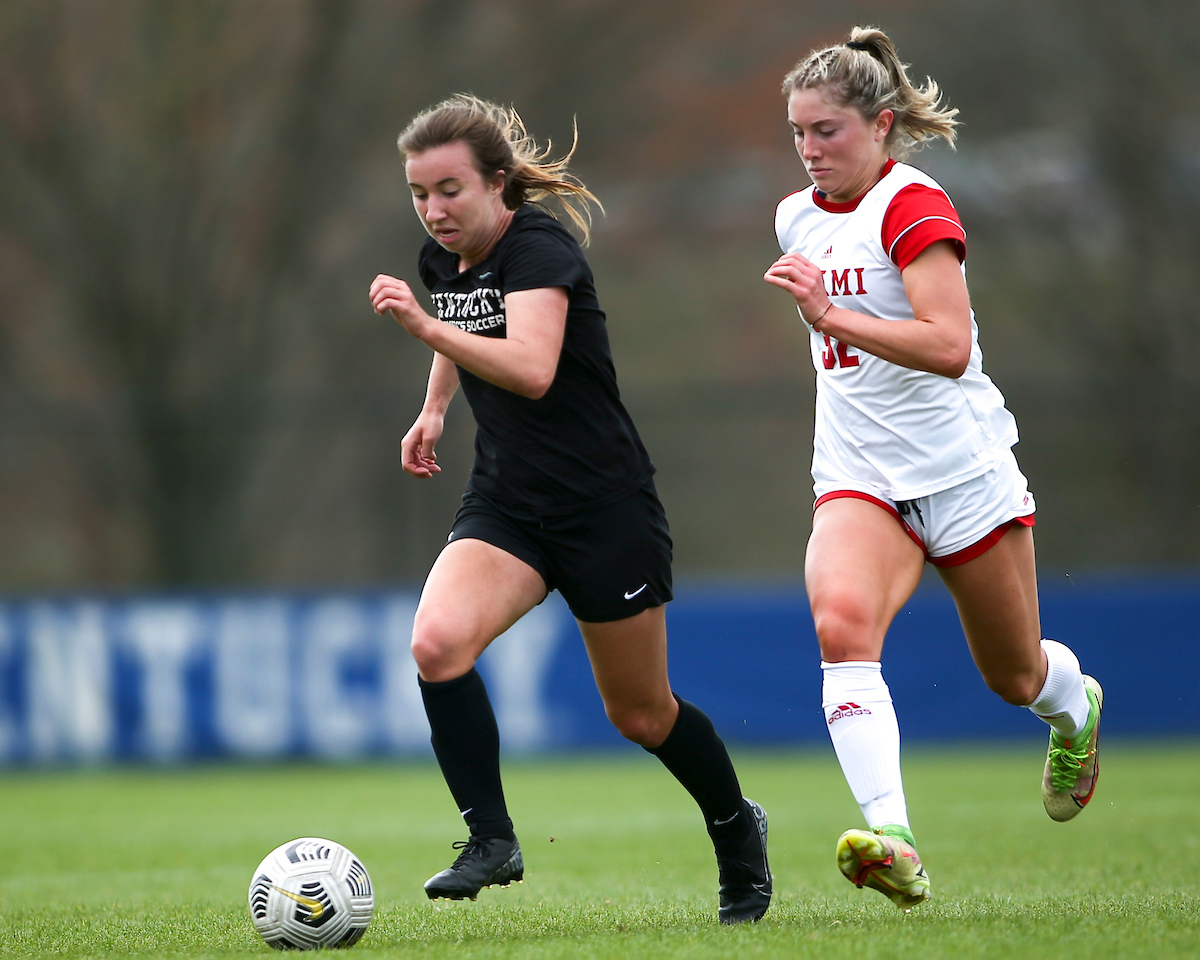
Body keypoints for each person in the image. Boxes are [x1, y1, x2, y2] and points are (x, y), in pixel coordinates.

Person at [369, 94, 770, 924]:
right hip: (509, 503)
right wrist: (436, 406)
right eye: (419, 193)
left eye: (449, 190)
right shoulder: (440, 258)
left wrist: (423, 333)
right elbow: (459, 313)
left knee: (641, 713)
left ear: (498, 184)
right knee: (437, 643)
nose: (433, 210)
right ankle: (491, 839)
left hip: (603, 507)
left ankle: (736, 829)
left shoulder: (542, 247)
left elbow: (532, 366)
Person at [764, 27, 1103, 909]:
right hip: (857, 478)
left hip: (960, 475)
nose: (810, 150)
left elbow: (949, 346)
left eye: (827, 131)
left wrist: (831, 319)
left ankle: (1076, 710)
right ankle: (894, 838)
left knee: (1014, 676)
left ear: (880, 126)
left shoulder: (916, 208)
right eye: (798, 132)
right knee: (840, 625)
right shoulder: (794, 214)